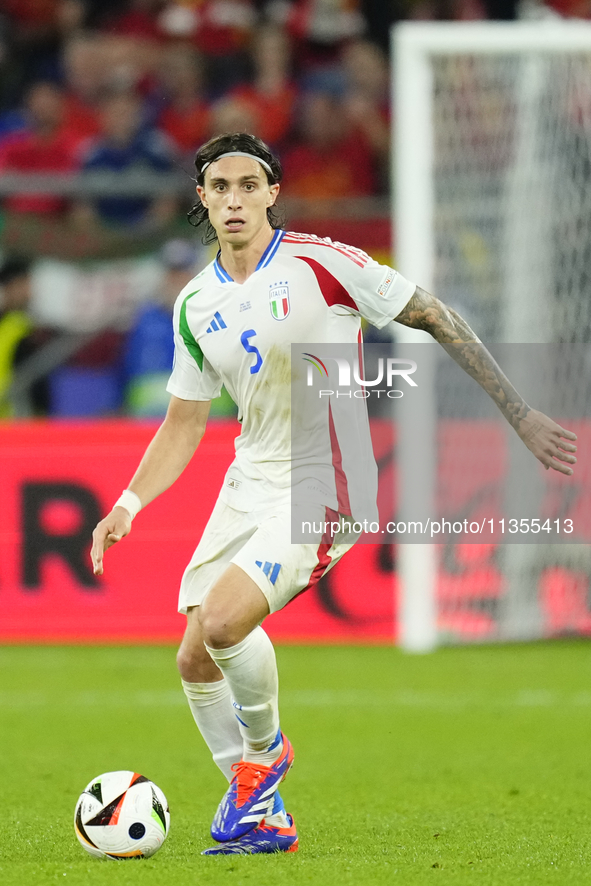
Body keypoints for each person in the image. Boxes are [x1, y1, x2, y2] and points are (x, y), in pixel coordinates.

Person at [90, 132, 577, 856]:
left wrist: (519, 413)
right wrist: (127, 504)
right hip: (248, 478)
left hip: (327, 478)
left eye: (248, 185)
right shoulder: (194, 303)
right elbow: (185, 420)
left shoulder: (324, 262)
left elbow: (434, 316)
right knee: (194, 658)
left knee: (223, 623)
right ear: (200, 197)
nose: (233, 199)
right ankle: (260, 814)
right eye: (218, 186)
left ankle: (265, 754)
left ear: (271, 193)